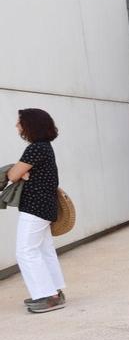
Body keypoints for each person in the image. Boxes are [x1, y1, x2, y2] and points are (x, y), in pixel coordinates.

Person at [11, 108, 67, 314]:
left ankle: (47, 295)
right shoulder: (45, 147)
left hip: (35, 207)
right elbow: (19, 174)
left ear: (31, 125)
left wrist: (19, 173)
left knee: (25, 251)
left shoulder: (35, 148)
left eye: (20, 122)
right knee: (44, 250)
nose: (17, 126)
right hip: (44, 206)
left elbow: (14, 173)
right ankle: (55, 291)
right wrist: (21, 174)